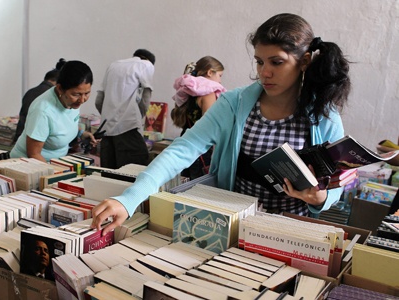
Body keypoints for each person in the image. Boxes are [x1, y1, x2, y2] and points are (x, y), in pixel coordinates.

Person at [92, 13, 351, 234]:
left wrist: (321, 198)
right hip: (231, 224)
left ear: (304, 61)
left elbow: (338, 181)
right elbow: (183, 149)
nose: (265, 72)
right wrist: (129, 199)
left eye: (277, 62)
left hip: (288, 231)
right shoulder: (233, 104)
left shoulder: (323, 115)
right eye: (260, 61)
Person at [10, 60, 98, 162]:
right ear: (60, 88)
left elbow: (65, 121)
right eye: (76, 94)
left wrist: (81, 133)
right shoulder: (43, 110)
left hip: (55, 162)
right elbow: (33, 154)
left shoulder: (71, 101)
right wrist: (54, 174)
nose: (82, 100)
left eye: (87, 93)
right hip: (30, 164)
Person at [95, 49, 156, 169]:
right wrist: (139, 117)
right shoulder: (146, 65)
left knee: (109, 174)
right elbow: (146, 96)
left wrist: (109, 116)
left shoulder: (114, 65)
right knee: (133, 173)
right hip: (129, 129)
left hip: (107, 133)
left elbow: (98, 100)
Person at [171, 56, 226, 180]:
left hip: (185, 142)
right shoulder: (208, 93)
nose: (220, 81)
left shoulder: (187, 91)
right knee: (197, 190)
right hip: (201, 148)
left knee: (184, 185)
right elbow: (210, 125)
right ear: (210, 72)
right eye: (220, 75)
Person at [14, 58, 66, 143]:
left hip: (22, 139)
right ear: (58, 84)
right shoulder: (51, 96)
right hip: (36, 143)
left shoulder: (31, 92)